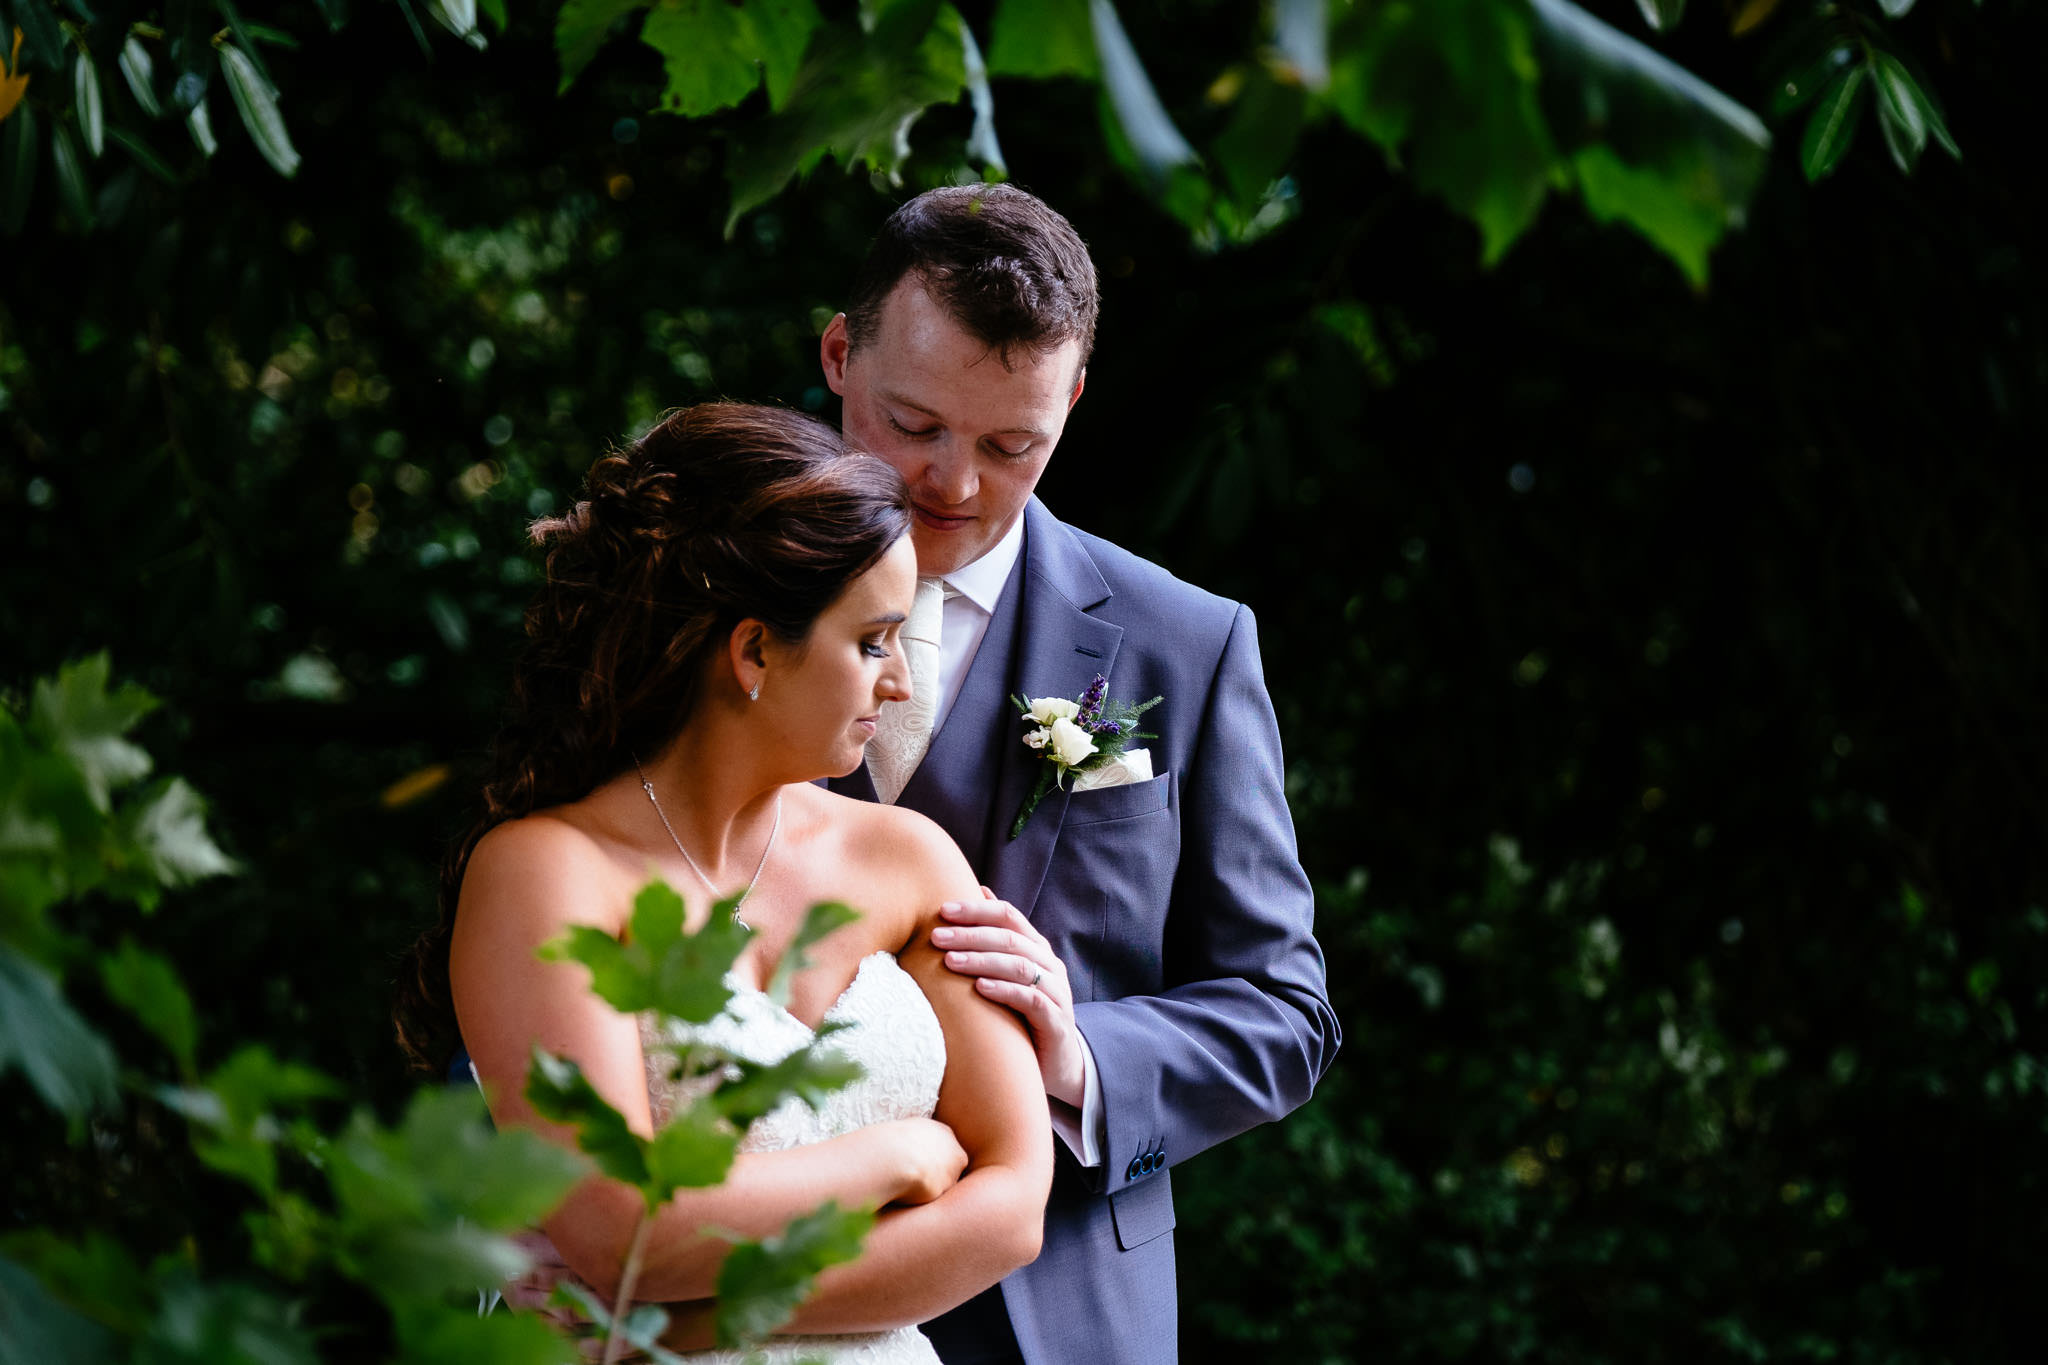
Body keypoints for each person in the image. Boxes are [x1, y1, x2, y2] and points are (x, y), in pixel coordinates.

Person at [394, 403, 1053, 1362]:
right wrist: (894, 1155)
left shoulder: (909, 859)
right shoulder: (546, 871)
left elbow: (1010, 1210)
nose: (900, 682)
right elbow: (625, 1232)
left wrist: (700, 1319)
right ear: (752, 651)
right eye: (872, 642)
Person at [815, 184, 1342, 1365]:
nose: (952, 483)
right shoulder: (702, 606)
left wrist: (1080, 1054)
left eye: (1011, 446)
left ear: (1072, 405)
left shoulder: (1183, 645)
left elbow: (1283, 1013)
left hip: (1054, 1315)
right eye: (913, 425)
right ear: (840, 355)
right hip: (747, 1277)